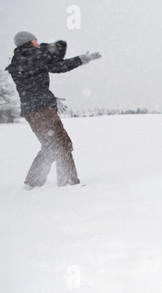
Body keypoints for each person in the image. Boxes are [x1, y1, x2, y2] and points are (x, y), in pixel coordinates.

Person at [5, 31, 102, 189]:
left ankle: (32, 182)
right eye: (35, 40)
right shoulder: (33, 54)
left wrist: (48, 98)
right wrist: (83, 59)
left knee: (50, 145)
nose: (38, 43)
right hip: (42, 109)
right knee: (61, 144)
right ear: (29, 42)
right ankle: (68, 182)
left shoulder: (19, 60)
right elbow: (60, 52)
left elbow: (35, 83)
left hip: (32, 110)